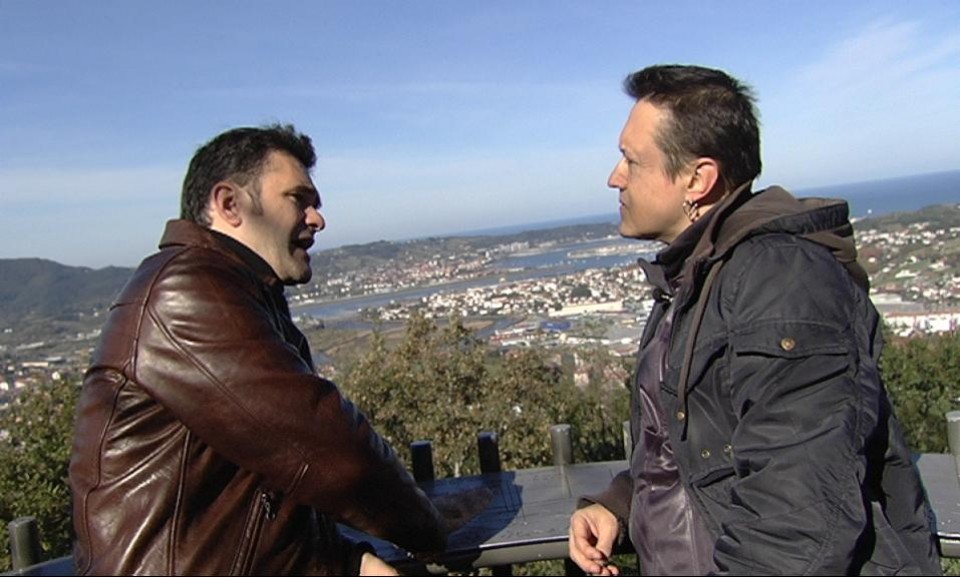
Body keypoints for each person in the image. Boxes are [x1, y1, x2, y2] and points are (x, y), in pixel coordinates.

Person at [567, 65, 941, 576]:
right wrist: (619, 504)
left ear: (698, 179)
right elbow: (700, 452)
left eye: (631, 160)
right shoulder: (694, 281)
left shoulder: (780, 281)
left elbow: (799, 516)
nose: (615, 176)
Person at [69, 124, 448, 576]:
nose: (317, 219)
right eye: (299, 199)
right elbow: (328, 449)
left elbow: (258, 486)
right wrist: (431, 530)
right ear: (230, 204)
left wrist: (348, 560)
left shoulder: (243, 293)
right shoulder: (187, 292)